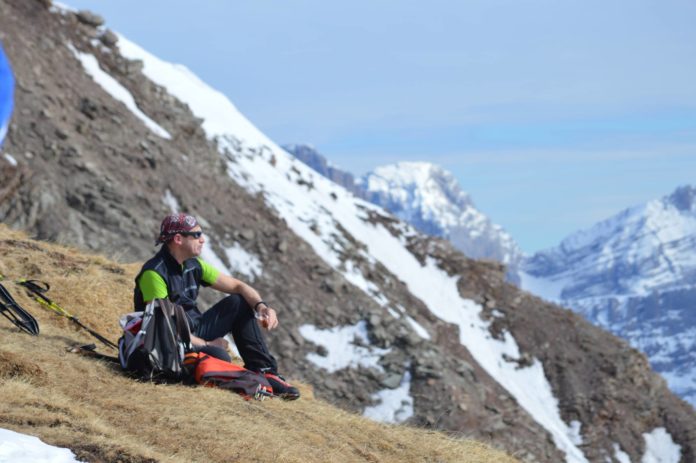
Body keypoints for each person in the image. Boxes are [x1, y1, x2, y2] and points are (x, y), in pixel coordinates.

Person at [133, 213, 300, 400]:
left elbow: (238, 286)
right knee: (220, 356)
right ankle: (242, 378)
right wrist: (207, 344)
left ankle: (265, 371)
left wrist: (261, 307)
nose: (202, 239)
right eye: (196, 235)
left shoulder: (193, 265)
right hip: (169, 343)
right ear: (178, 239)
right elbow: (165, 329)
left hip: (192, 329)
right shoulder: (154, 274)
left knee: (239, 302)